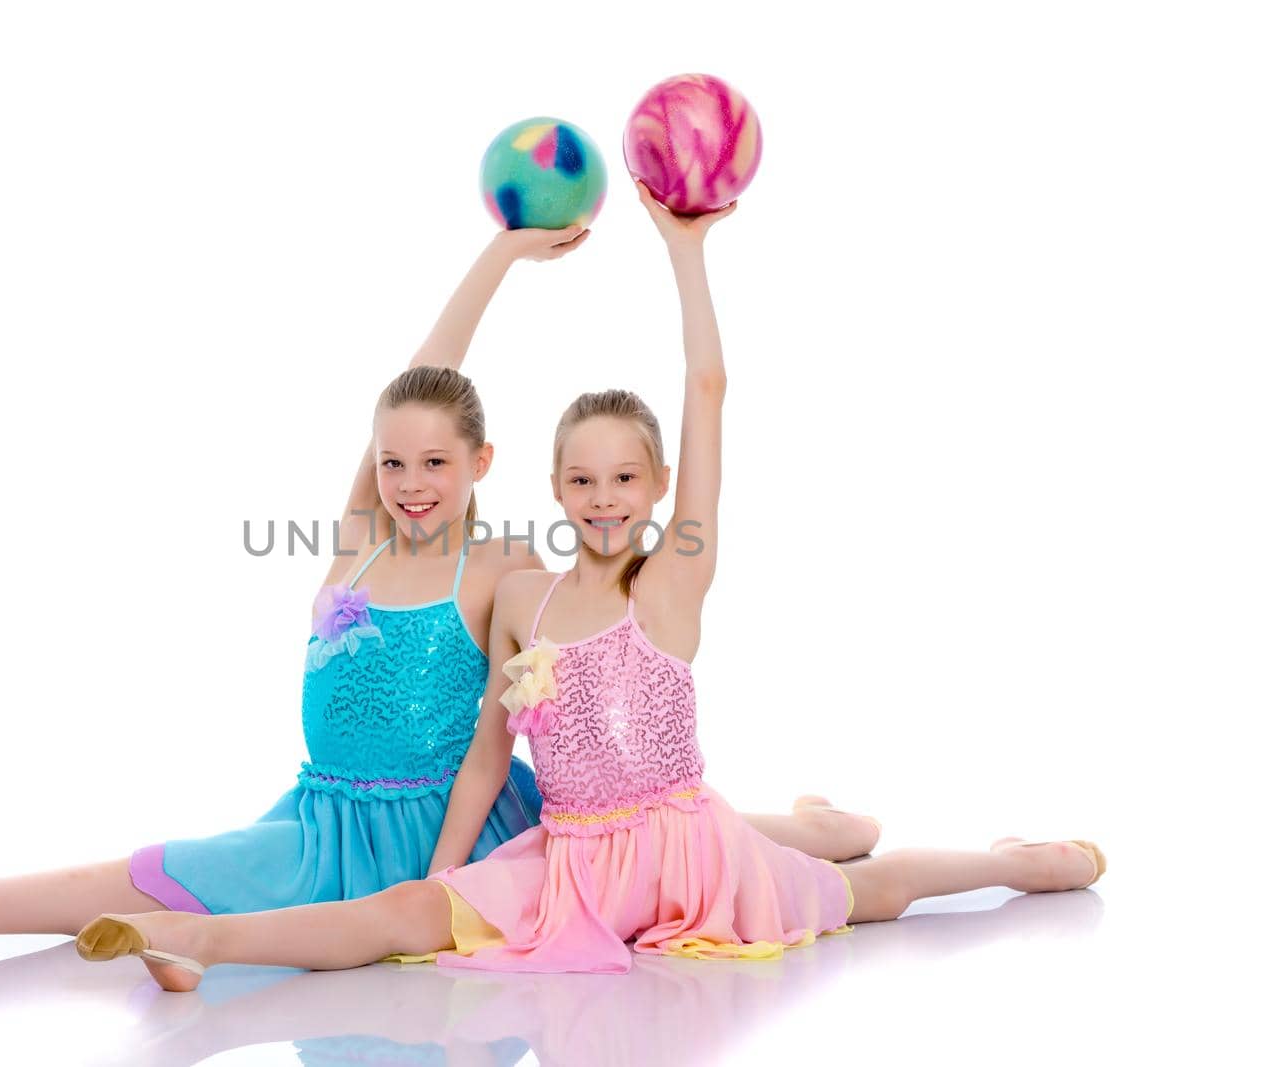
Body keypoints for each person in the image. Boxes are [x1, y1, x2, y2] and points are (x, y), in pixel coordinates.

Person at [70, 181, 1103, 991]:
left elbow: (707, 392)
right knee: (401, 918)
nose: (603, 498)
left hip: (687, 852)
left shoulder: (672, 584)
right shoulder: (523, 595)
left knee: (872, 890)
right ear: (551, 486)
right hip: (565, 857)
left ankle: (1014, 859)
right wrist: (440, 870)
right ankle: (195, 933)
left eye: (624, 479)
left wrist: (685, 249)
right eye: (580, 479)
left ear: (657, 487)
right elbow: (485, 756)